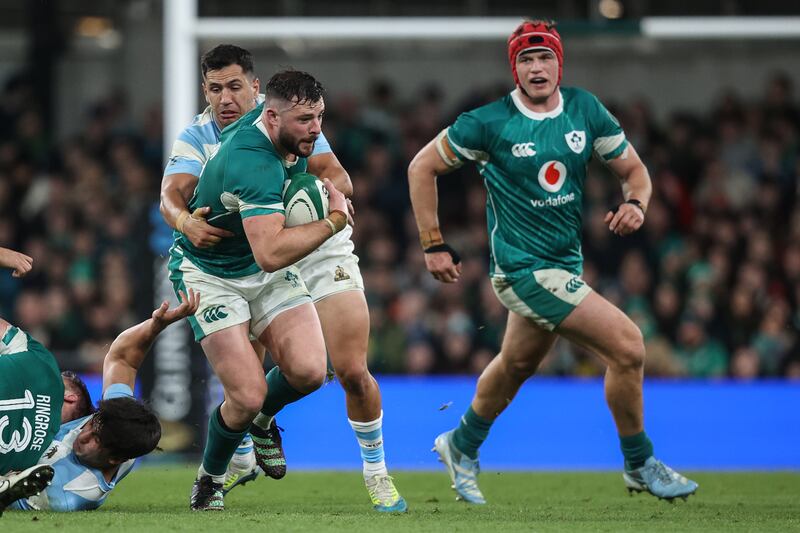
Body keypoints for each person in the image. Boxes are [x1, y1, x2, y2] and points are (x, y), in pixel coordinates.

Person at [407, 19, 698, 503]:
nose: (536, 67)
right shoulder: (488, 122)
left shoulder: (585, 109)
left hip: (563, 267)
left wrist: (636, 204)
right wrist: (433, 243)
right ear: (514, 68)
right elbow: (422, 166)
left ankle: (461, 445)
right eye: (526, 59)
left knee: (516, 364)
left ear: (559, 63)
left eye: (545, 58)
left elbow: (634, 172)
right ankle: (640, 462)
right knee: (628, 346)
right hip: (522, 270)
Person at [160, 45, 405, 512]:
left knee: (315, 371)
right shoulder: (214, 141)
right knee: (246, 390)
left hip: (277, 247)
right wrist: (184, 220)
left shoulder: (294, 121)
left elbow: (338, 180)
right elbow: (173, 196)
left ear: (256, 90)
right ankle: (211, 476)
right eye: (216, 88)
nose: (226, 97)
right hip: (215, 268)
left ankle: (260, 423)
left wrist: (311, 194)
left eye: (235, 86)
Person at [0, 247, 198, 512]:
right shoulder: (117, 419)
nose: (83, 434)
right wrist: (155, 327)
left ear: (114, 458)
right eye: (92, 423)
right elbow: (123, 359)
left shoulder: (71, 491)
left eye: (95, 439)